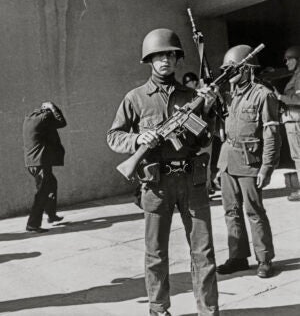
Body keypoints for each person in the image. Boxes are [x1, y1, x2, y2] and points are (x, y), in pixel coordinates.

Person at [107, 28, 219, 316]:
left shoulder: (192, 95)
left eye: (170, 55)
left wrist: (206, 109)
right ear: (149, 60)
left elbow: (205, 140)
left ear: (177, 59)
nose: (165, 60)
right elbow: (114, 136)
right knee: (156, 253)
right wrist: (137, 139)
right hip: (157, 184)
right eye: (159, 56)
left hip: (191, 181)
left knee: (203, 251)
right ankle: (158, 308)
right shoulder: (136, 98)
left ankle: (208, 310)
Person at [216, 45, 281, 278]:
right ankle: (238, 257)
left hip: (250, 162)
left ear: (246, 69)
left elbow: (271, 135)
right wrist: (220, 167)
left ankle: (264, 259)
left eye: (232, 70)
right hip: (228, 162)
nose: (228, 75)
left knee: (254, 211)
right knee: (230, 211)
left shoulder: (264, 95)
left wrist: (267, 167)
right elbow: (226, 133)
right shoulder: (230, 95)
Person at [23, 101, 66, 233]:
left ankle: (51, 216)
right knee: (42, 193)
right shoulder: (45, 117)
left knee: (51, 184)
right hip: (40, 162)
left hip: (32, 162)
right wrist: (52, 106)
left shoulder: (30, 118)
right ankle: (32, 224)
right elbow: (62, 122)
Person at [276, 46, 300, 201]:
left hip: (295, 120)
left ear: (295, 59)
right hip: (293, 119)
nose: (286, 63)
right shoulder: (296, 75)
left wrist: (280, 97)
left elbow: (298, 99)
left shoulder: (299, 76)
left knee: (298, 156)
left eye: (288, 60)